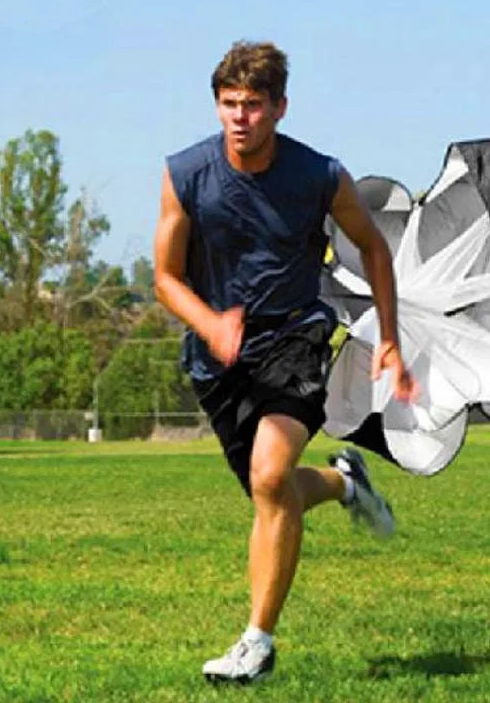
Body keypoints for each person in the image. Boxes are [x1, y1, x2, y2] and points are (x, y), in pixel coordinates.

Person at [153, 40, 417, 685]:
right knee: (272, 492)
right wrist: (211, 322)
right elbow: (163, 276)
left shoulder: (320, 176)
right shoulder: (185, 173)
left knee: (271, 478)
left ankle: (256, 644)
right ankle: (344, 483)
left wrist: (389, 335)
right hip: (219, 356)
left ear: (280, 107)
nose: (240, 118)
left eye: (253, 105)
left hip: (295, 337)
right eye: (229, 105)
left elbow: (374, 250)